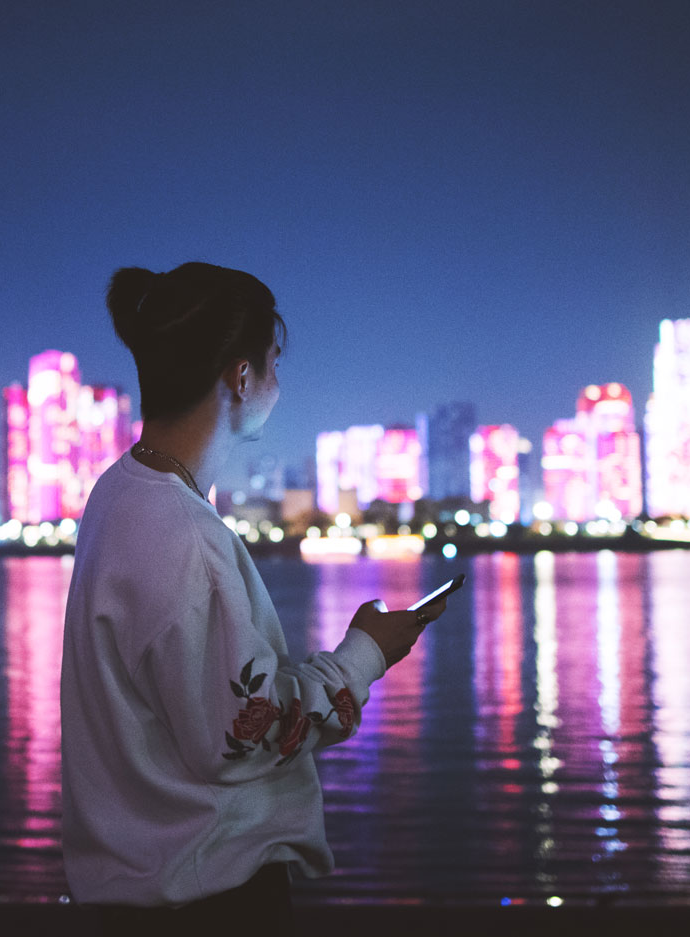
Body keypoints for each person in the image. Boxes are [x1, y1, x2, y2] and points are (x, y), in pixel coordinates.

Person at [60, 262, 445, 932]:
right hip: (203, 899)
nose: (278, 382)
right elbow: (248, 733)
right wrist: (365, 655)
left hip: (128, 891)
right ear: (241, 378)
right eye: (274, 362)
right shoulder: (188, 537)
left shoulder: (117, 492)